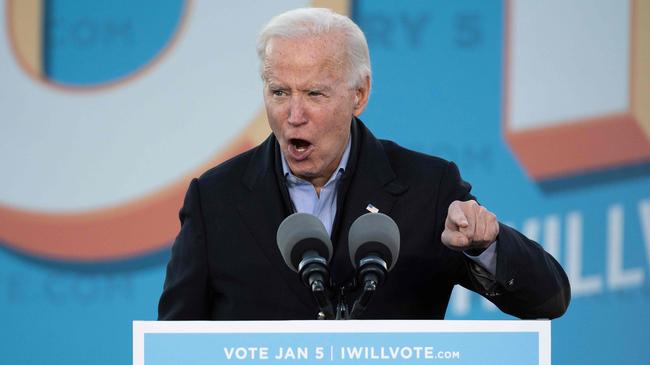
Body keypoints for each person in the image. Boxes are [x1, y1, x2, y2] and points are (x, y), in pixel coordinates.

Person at [158, 8, 570, 320]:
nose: (293, 114)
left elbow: (548, 299)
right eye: (279, 92)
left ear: (360, 94)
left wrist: (488, 246)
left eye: (315, 94)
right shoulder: (215, 199)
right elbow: (174, 345)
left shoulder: (426, 188)